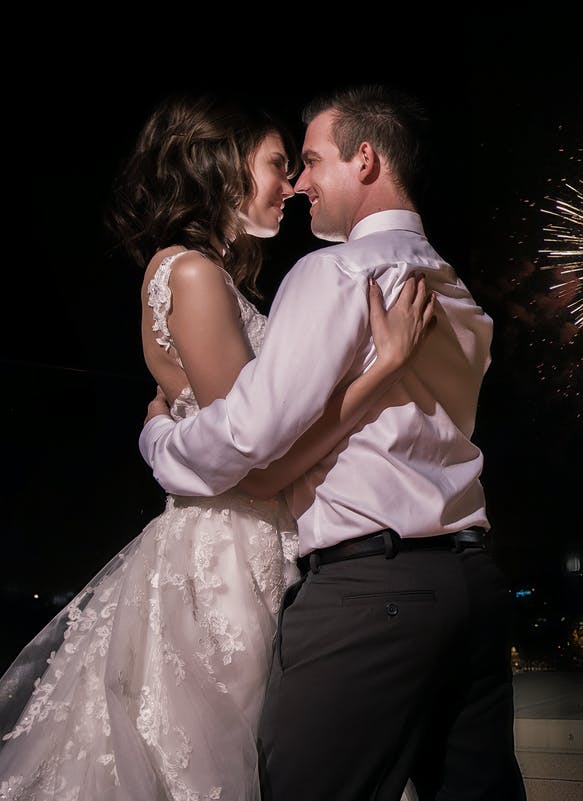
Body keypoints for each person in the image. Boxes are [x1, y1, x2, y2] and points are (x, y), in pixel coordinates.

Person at [0, 92, 433, 801]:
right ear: (221, 168)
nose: (291, 186)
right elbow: (260, 460)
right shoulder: (193, 276)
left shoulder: (202, 275)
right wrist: (381, 370)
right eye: (275, 165)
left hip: (242, 536)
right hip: (231, 555)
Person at [137, 85, 526, 801]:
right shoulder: (457, 293)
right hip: (472, 582)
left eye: (309, 161)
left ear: (366, 160)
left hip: (369, 591)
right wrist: (380, 371)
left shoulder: (334, 273)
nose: (300, 182)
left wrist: (159, 438)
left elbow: (246, 443)